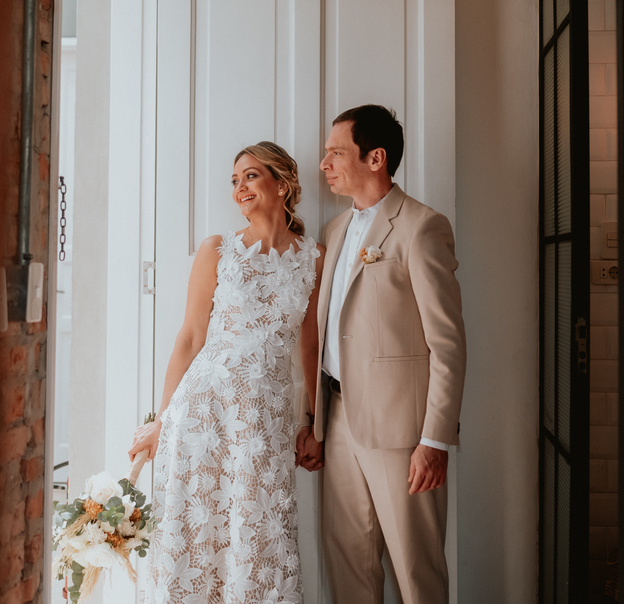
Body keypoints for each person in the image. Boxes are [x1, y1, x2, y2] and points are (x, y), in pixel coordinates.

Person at [129, 141, 325, 604]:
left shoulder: (313, 258)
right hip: (202, 413)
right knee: (197, 536)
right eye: (235, 181)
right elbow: (190, 337)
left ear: (283, 183)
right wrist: (162, 419)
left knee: (258, 535)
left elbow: (310, 348)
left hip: (264, 422)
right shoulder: (218, 249)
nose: (240, 188)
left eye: (251, 176)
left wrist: (313, 424)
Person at [296, 105, 466, 604]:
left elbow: (448, 343)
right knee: (348, 564)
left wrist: (434, 440)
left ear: (376, 158)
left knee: (417, 570)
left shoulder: (422, 227)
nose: (324, 163)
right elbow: (324, 334)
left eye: (336, 153)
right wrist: (314, 420)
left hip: (402, 433)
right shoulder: (333, 232)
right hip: (338, 419)